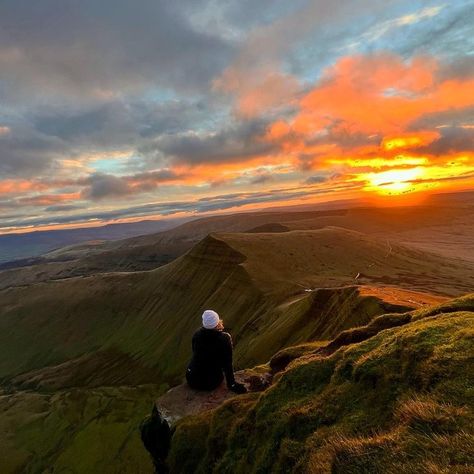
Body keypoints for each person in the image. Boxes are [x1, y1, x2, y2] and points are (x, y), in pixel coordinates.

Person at [186, 310, 247, 394]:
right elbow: (227, 364)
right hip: (210, 382)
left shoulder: (197, 334)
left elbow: (195, 354)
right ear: (217, 322)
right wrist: (232, 384)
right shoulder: (225, 338)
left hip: (191, 378)